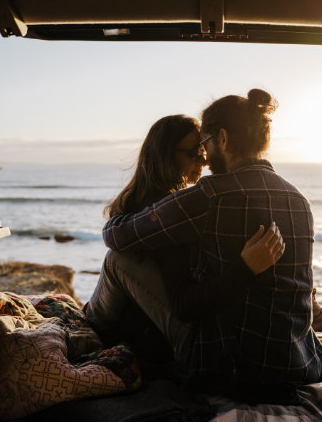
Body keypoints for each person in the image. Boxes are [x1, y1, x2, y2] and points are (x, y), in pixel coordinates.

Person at [88, 114, 286, 367]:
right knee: (117, 258)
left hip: (184, 326)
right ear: (164, 156)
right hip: (171, 334)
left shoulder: (178, 207)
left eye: (203, 150)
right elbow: (180, 298)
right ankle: (88, 329)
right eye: (193, 153)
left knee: (116, 258)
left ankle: (89, 325)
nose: (203, 160)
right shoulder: (170, 214)